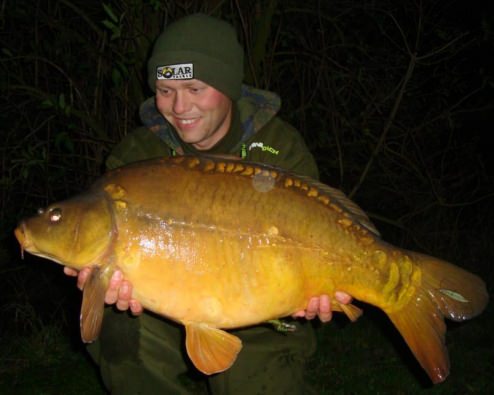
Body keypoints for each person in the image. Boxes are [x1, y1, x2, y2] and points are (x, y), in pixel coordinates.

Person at [65, 13, 353, 394]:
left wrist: (315, 293)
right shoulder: (137, 157)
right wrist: (104, 285)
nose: (179, 106)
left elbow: (322, 235)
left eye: (195, 88)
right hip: (161, 315)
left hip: (263, 316)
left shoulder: (280, 148)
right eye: (165, 90)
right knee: (119, 331)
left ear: (228, 86)